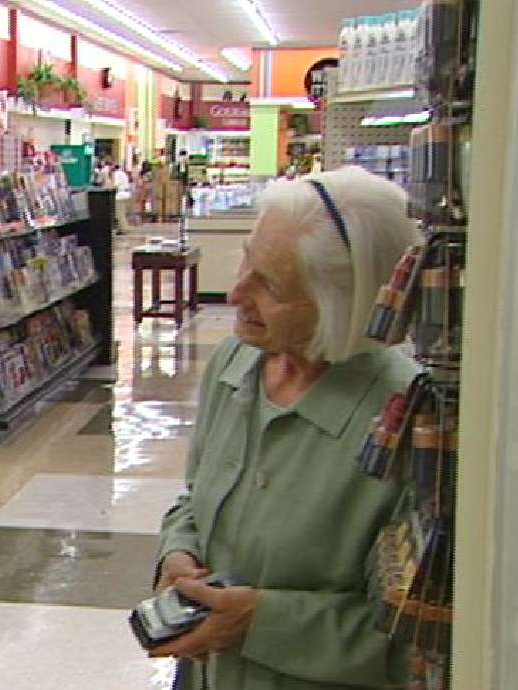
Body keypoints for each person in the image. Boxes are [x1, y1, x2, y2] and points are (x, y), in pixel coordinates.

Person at [152, 166, 419, 689]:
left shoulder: (405, 422)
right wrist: (178, 554)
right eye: (248, 257)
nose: (234, 293)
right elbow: (194, 499)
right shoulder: (235, 364)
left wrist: (260, 621)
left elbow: (409, 635)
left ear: (342, 309)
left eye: (269, 285)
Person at [113, 164, 134, 235]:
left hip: (120, 195)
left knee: (119, 213)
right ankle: (120, 228)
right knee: (122, 212)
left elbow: (115, 184)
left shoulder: (116, 174)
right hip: (126, 194)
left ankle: (124, 229)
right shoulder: (123, 173)